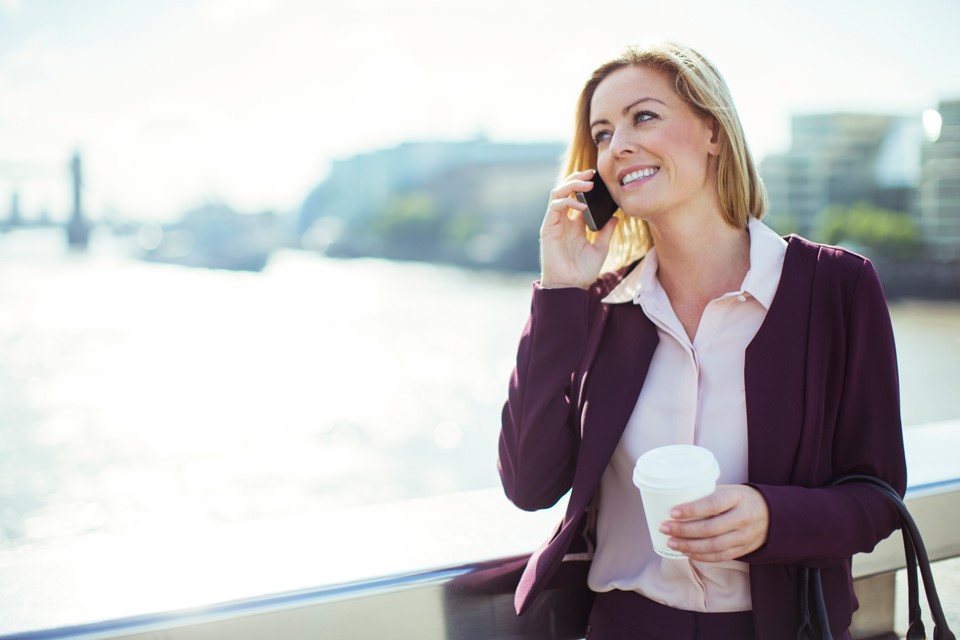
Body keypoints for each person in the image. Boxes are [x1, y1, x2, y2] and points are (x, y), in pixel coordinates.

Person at [498, 41, 906, 640]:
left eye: (644, 116)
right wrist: (559, 292)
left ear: (713, 132)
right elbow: (529, 484)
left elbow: (878, 495)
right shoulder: (601, 306)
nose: (619, 146)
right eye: (603, 133)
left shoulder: (835, 288)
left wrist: (772, 518)